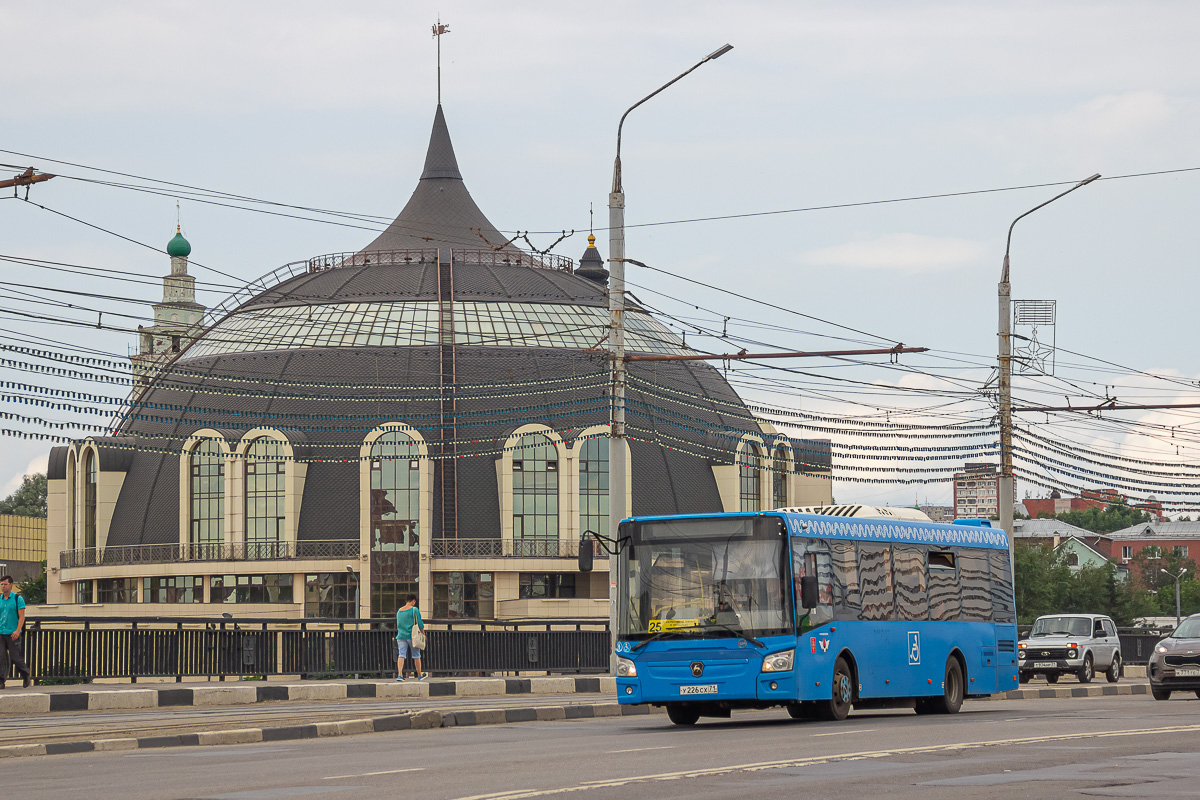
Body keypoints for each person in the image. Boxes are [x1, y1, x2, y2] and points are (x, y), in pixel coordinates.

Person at [0, 575, 31, 689]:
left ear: (11, 585)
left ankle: (26, 673)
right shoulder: (0, 599)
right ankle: (1, 681)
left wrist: (18, 630)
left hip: (13, 633)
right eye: (1, 584)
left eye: (5, 584)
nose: (3, 586)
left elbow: (22, 617)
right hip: (1, 632)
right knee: (1, 657)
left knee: (15, 658)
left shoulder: (18, 599)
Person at [394, 594, 427, 681]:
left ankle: (400, 675)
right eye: (414, 602)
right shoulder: (414, 609)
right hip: (412, 636)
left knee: (401, 655)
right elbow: (420, 623)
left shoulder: (399, 611)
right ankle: (419, 675)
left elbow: (399, 624)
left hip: (400, 636)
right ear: (413, 601)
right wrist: (423, 634)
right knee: (416, 655)